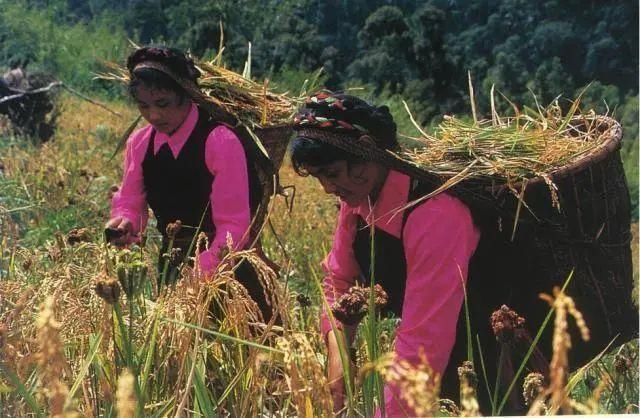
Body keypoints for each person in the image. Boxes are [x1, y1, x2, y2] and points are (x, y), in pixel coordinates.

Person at [290, 91, 481, 416]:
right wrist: (339, 354)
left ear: (365, 150)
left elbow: (423, 345)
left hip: (482, 357)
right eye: (319, 177)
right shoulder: (359, 201)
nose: (327, 188)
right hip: (430, 356)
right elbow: (338, 280)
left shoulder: (435, 214)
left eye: (332, 173)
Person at [106, 46, 273, 319]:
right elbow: (130, 200)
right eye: (144, 106)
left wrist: (198, 277)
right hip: (172, 263)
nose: (154, 116)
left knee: (247, 356)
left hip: (229, 267)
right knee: (178, 354)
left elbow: (233, 226)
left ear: (187, 95)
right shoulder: (140, 143)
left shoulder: (219, 141)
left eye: (163, 104)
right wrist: (124, 222)